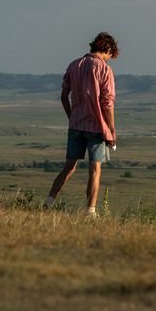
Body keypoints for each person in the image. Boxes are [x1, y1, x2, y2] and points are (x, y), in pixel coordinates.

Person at [43, 32, 119, 217]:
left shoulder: (74, 65)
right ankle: (90, 211)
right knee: (95, 169)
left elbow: (63, 96)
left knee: (69, 166)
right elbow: (107, 103)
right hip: (97, 126)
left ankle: (49, 202)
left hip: (76, 124)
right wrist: (112, 129)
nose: (110, 59)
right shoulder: (104, 69)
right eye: (111, 55)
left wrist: (72, 117)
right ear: (107, 49)